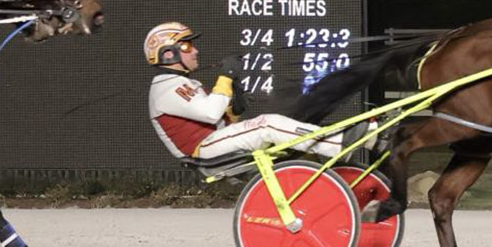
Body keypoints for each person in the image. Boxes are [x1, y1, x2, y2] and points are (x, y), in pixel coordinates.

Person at [144, 22, 373, 162]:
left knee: (282, 122)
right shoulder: (166, 89)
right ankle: (338, 144)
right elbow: (211, 113)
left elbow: (214, 118)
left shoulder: (177, 84)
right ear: (168, 54)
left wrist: (234, 110)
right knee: (267, 124)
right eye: (186, 46)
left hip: (211, 141)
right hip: (202, 150)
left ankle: (363, 138)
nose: (195, 51)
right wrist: (226, 77)